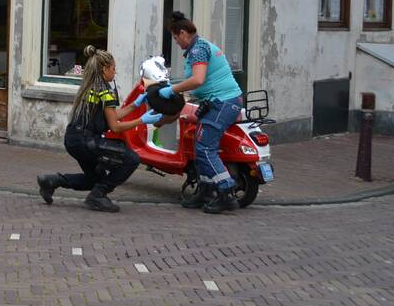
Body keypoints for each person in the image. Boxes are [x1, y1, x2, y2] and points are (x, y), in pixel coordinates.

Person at [37, 46, 163, 212]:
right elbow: (115, 126)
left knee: (94, 179)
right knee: (131, 159)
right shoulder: (105, 92)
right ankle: (98, 195)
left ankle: (52, 181)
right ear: (105, 69)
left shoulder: (89, 87)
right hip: (87, 141)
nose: (115, 72)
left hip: (73, 139)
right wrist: (142, 120)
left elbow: (111, 115)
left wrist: (135, 105)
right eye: (113, 68)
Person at [158, 11, 243, 213]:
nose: (177, 42)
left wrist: (171, 90)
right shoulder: (199, 47)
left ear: (183, 33)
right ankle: (205, 190)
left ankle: (227, 193)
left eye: (176, 37)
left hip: (223, 102)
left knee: (205, 147)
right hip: (218, 102)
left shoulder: (198, 50)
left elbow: (198, 79)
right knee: (200, 145)